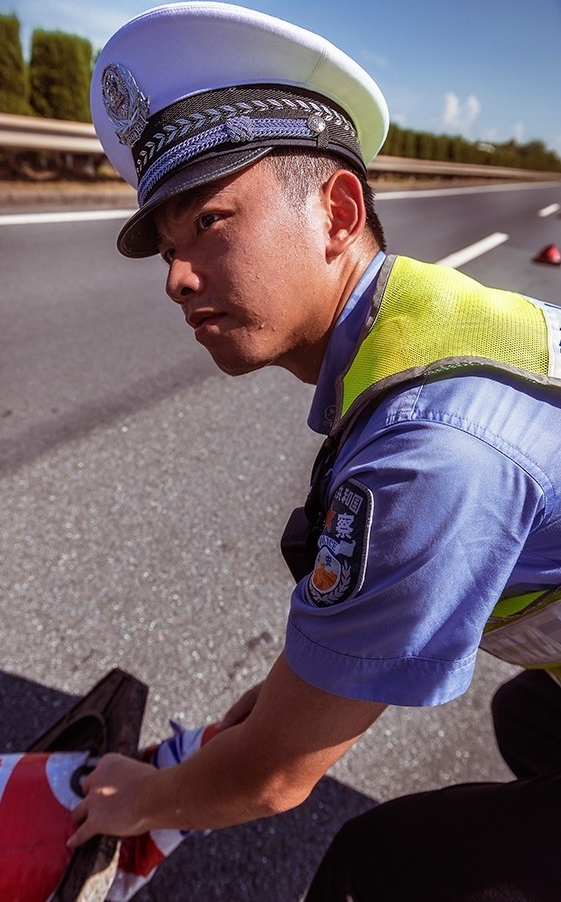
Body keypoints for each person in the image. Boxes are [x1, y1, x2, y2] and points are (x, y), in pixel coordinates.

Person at [69, 3, 561, 898]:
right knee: (530, 716)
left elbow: (273, 780)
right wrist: (275, 706)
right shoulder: (424, 320)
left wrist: (144, 801)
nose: (177, 278)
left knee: (378, 868)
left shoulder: (429, 449)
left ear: (338, 211)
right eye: (168, 249)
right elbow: (326, 672)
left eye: (211, 223)